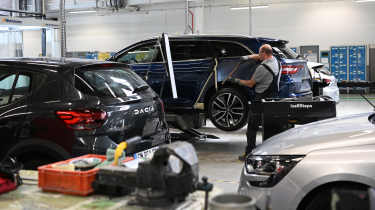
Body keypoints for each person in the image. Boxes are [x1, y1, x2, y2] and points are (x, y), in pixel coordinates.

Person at [227, 44, 280, 161]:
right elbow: (259, 56)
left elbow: (250, 84)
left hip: (260, 100)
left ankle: (249, 153)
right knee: (269, 128)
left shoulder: (262, 68)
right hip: (272, 99)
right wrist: (248, 57)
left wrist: (235, 80)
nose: (258, 55)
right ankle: (269, 153)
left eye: (260, 53)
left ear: (264, 54)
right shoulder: (275, 60)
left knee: (251, 128)